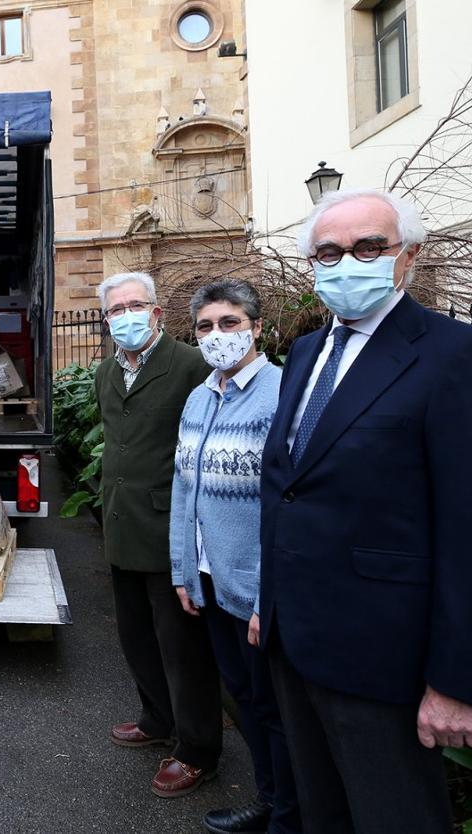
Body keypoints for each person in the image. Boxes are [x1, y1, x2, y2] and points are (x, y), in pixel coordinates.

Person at [257, 188, 472, 832]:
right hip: (297, 644)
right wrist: (270, 608)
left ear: (408, 256)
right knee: (324, 813)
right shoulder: (304, 354)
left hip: (385, 657)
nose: (348, 262)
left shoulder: (456, 356)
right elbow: (288, 490)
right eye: (329, 251)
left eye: (368, 247)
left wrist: (456, 681)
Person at [170, 280, 300, 834]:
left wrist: (267, 597)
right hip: (210, 580)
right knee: (245, 698)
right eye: (205, 326)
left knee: (274, 710)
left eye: (229, 323)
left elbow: (288, 507)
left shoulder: (281, 394)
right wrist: (183, 570)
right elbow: (184, 489)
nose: (217, 335)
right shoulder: (200, 396)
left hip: (255, 589)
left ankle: (287, 813)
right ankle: (270, 800)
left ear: (256, 328)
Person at [94, 272, 222, 798]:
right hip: (123, 522)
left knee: (182, 644)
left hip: (169, 525)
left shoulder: (192, 366)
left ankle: (197, 750)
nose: (125, 315)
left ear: (156, 313)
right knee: (136, 634)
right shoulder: (106, 370)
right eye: (115, 309)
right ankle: (156, 718)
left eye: (134, 305)